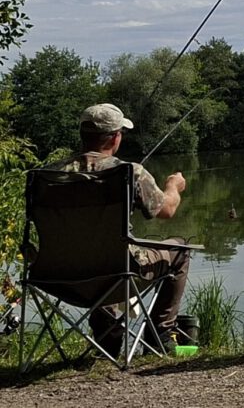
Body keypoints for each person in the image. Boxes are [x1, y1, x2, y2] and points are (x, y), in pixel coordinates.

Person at [49, 103, 191, 353]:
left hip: (57, 277)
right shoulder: (129, 172)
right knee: (179, 249)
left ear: (83, 135)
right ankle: (161, 334)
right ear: (115, 137)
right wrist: (173, 185)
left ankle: (109, 340)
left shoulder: (48, 175)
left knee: (99, 255)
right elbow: (167, 210)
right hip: (116, 275)